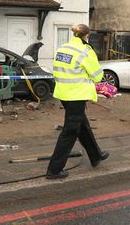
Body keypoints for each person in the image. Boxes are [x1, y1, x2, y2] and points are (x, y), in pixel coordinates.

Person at [46, 24, 110, 179]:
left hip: (63, 94)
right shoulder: (85, 51)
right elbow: (97, 76)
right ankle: (54, 170)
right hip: (77, 95)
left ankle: (96, 155)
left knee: (82, 124)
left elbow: (57, 70)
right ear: (86, 36)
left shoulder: (63, 48)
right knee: (70, 131)